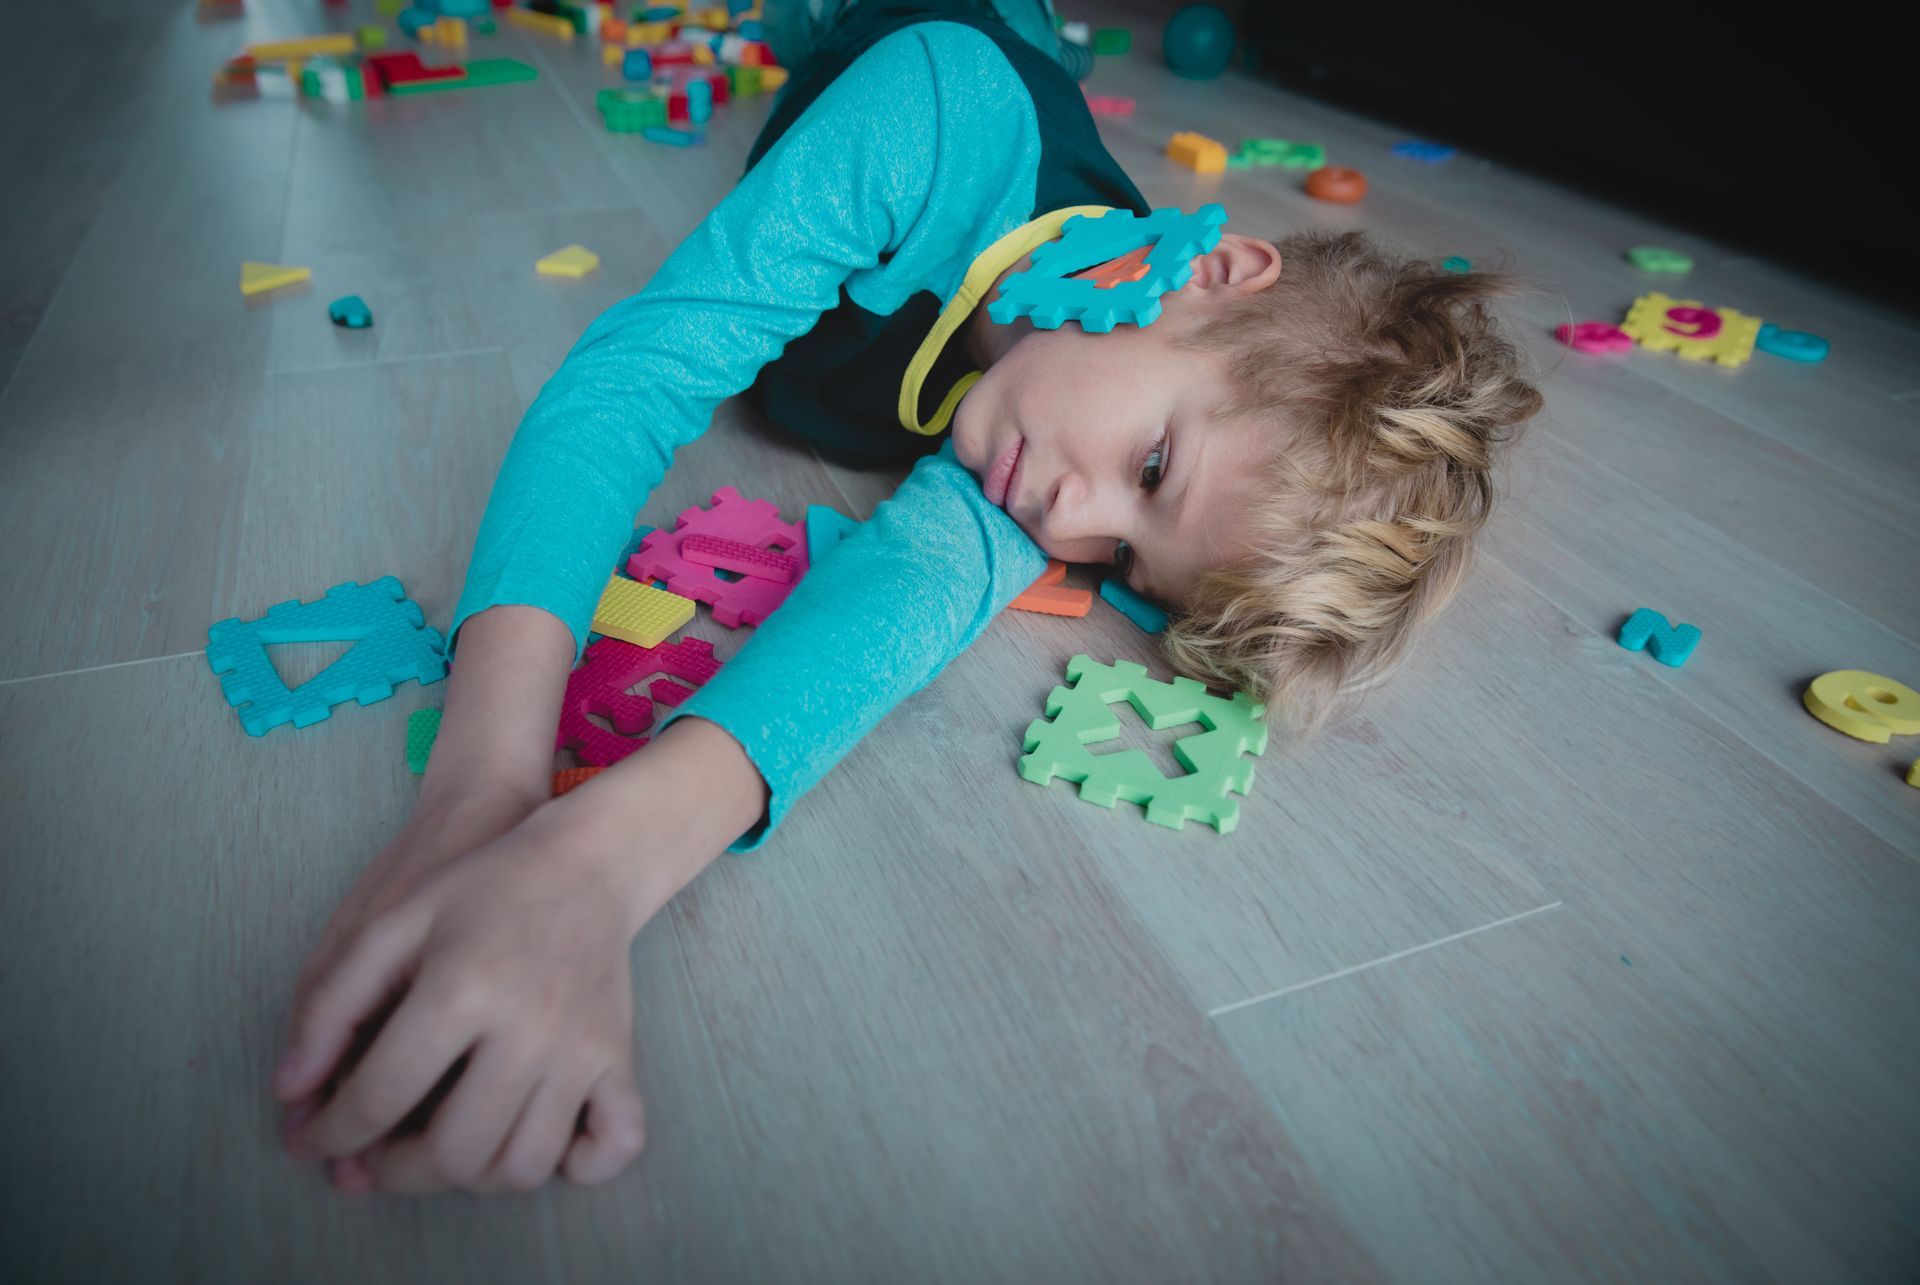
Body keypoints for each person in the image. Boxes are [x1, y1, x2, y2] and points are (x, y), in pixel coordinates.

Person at [272, 0, 1543, 1195]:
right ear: (1210, 278)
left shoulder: (1067, 423)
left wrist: (597, 867)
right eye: (1154, 468)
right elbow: (634, 379)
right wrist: (479, 782)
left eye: (1130, 561)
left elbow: (908, 600)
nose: (1072, 523)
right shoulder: (937, 118)